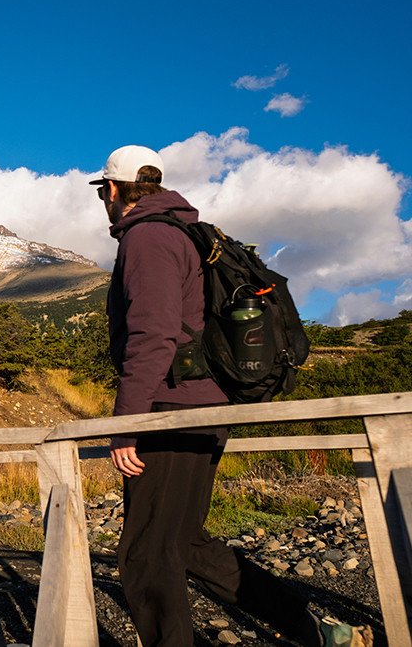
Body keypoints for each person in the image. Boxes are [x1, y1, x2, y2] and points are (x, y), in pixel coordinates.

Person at [92, 145, 372, 647]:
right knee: (185, 542)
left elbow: (153, 333)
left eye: (101, 191)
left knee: (147, 554)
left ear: (112, 190)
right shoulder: (188, 232)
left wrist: (126, 423)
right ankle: (319, 631)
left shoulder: (148, 237)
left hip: (171, 410)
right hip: (203, 406)